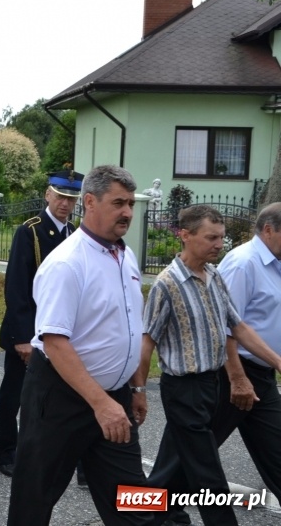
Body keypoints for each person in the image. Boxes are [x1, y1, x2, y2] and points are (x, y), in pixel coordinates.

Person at [8, 165, 152, 526]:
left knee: (136, 503)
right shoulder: (68, 263)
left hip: (114, 398)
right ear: (89, 202)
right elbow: (55, 343)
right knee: (34, 500)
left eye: (131, 204)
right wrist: (101, 403)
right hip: (62, 399)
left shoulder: (125, 256)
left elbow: (131, 327)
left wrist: (135, 386)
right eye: (119, 202)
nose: (128, 212)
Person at [134, 205, 281, 526]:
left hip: (212, 385)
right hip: (187, 388)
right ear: (185, 235)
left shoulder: (214, 277)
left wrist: (278, 362)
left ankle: (145, 512)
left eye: (222, 238)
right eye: (211, 237)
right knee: (207, 474)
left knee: (181, 468)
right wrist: (139, 390)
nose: (219, 244)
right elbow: (147, 343)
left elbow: (238, 327)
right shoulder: (167, 283)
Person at [0, 169, 82, 479]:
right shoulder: (30, 231)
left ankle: (50, 451)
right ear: (47, 194)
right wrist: (22, 337)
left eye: (71, 199)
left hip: (60, 332)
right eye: (60, 197)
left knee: (59, 396)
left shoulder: (75, 234)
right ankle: (5, 452)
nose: (65, 204)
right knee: (15, 395)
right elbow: (16, 287)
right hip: (30, 331)